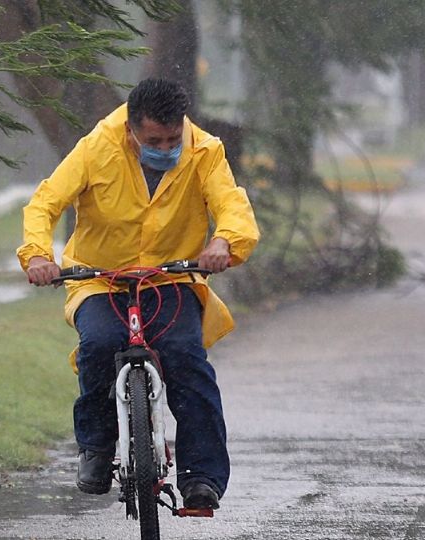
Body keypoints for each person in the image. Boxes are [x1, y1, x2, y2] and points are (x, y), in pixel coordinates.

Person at [17, 78, 259, 510]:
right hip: (100, 279)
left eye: (172, 139)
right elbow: (46, 203)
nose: (166, 148)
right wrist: (38, 255)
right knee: (99, 346)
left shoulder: (205, 150)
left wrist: (224, 242)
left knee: (186, 357)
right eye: (154, 140)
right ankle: (95, 448)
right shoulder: (96, 147)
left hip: (171, 278)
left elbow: (231, 206)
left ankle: (201, 477)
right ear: (131, 130)